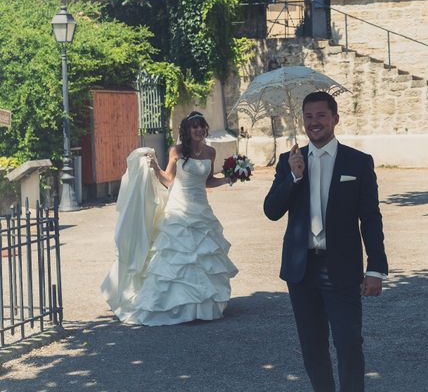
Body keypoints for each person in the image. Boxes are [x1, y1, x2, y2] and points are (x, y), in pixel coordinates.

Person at [264, 91, 388, 392]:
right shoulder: (289, 161)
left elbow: (370, 217)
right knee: (312, 346)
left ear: (335, 118)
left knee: (348, 342)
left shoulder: (357, 163)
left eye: (320, 115)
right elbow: (271, 211)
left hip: (342, 269)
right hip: (301, 270)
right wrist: (293, 178)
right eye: (308, 117)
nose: (314, 122)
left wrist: (375, 269)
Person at [101, 111, 238, 326]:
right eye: (195, 127)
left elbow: (208, 181)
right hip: (178, 208)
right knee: (176, 256)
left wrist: (228, 179)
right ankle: (174, 306)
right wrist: (155, 168)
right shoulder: (177, 151)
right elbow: (168, 179)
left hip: (201, 209)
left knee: (202, 256)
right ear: (187, 130)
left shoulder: (211, 152)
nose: (199, 130)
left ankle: (201, 306)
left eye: (202, 126)